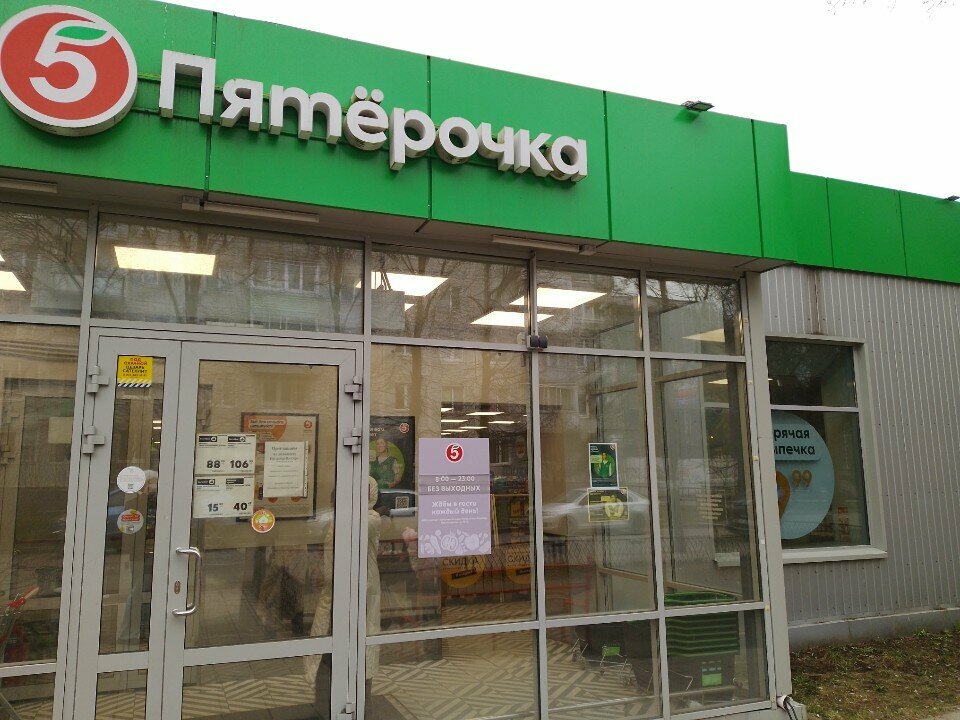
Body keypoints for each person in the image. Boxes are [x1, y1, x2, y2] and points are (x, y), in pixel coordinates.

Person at [307, 477, 382, 717]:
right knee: (327, 657)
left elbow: (352, 526)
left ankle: (359, 710)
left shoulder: (371, 519)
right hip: (334, 597)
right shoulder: (336, 519)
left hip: (360, 598)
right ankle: (326, 708)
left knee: (359, 660)